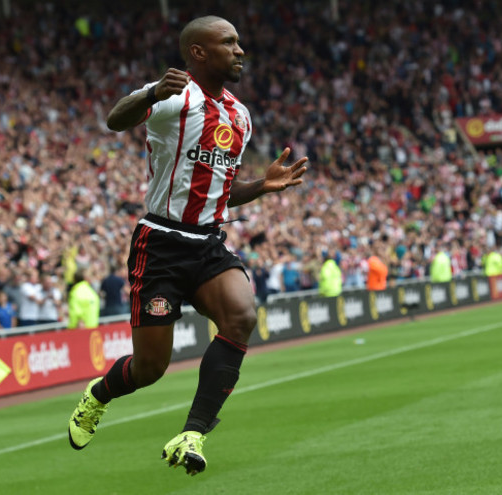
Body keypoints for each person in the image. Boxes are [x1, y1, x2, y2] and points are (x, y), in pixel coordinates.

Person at [68, 15, 308, 476]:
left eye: (239, 42)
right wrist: (151, 93)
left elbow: (221, 189)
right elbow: (115, 119)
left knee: (241, 316)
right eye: (228, 42)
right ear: (198, 52)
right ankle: (98, 396)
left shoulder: (240, 115)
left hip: (208, 243)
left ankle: (192, 432)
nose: (240, 50)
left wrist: (262, 185)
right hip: (159, 243)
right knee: (150, 368)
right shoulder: (172, 94)